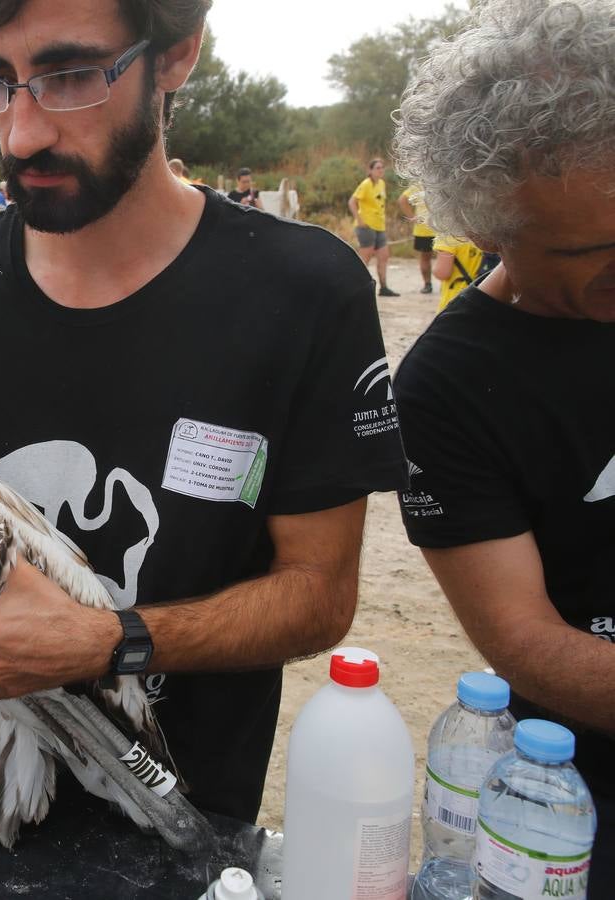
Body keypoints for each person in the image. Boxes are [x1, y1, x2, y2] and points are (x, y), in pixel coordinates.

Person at [0, 0, 407, 824]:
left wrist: (109, 641)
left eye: (70, 77)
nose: (24, 134)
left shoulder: (304, 292)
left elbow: (319, 595)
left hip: (181, 815)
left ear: (176, 57)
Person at [393, 0, 615, 888]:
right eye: (597, 247)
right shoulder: (448, 389)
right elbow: (526, 642)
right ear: (489, 234)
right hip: (582, 799)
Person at [349, 158, 398, 296]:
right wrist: (358, 219)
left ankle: (384, 287)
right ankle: (355, 286)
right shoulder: (365, 184)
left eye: (382, 167)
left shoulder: (381, 183)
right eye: (377, 168)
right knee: (365, 257)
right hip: (366, 225)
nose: (380, 170)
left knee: (384, 256)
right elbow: (352, 202)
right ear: (370, 170)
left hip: (379, 225)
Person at [431, 233, 487, 311]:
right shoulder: (486, 234)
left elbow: (442, 273)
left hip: (457, 298)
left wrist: (434, 270)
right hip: (484, 295)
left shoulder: (449, 235)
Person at [396, 182, 434, 294]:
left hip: (443, 227)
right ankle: (428, 284)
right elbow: (402, 200)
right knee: (425, 257)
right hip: (424, 228)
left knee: (448, 255)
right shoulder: (419, 184)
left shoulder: (443, 179)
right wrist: (412, 217)